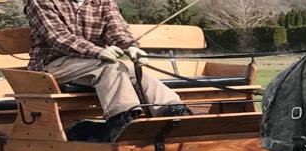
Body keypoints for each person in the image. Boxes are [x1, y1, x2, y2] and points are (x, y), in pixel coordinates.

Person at [25, 0, 191, 142]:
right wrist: (97, 51)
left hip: (93, 62)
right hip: (51, 65)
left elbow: (116, 28)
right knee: (110, 69)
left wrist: (130, 47)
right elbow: (58, 37)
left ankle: (174, 113)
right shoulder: (41, 2)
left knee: (135, 69)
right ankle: (123, 122)